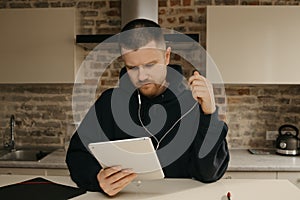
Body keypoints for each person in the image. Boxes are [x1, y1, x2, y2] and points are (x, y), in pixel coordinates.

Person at [66, 18, 229, 197]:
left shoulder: (193, 104)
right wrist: (97, 178)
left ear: (166, 57)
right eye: (132, 67)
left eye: (150, 65)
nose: (142, 76)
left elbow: (208, 173)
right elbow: (77, 155)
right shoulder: (109, 102)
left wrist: (209, 114)